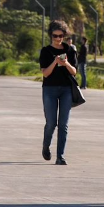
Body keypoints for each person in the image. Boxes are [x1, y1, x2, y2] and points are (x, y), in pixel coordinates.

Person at [39, 20, 78, 166]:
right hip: (50, 89)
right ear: (51, 36)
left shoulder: (70, 50)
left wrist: (66, 63)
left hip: (66, 89)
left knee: (64, 124)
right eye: (55, 36)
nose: (58, 39)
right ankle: (46, 146)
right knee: (51, 123)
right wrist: (55, 62)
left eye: (61, 36)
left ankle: (60, 156)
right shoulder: (45, 51)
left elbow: (74, 72)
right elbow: (46, 74)